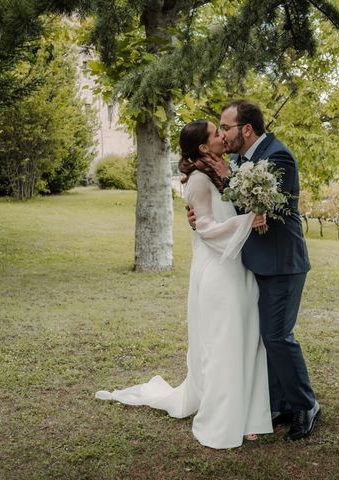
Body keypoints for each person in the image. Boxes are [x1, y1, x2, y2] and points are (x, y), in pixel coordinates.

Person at [95, 120, 272, 449]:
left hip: (237, 267)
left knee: (247, 340)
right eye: (216, 132)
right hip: (219, 273)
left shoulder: (223, 170)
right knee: (224, 345)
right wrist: (246, 220)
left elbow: (221, 212)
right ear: (204, 147)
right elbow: (204, 227)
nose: (223, 135)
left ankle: (249, 415)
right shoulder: (199, 180)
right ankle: (222, 419)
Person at [188, 100, 320, 441]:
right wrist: (200, 216)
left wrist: (228, 182)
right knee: (264, 337)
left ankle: (306, 404)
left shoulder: (278, 157)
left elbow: (266, 208)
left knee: (277, 335)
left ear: (246, 129)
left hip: (281, 262)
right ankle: (281, 404)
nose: (223, 134)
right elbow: (224, 199)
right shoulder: (237, 159)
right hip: (250, 263)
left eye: (226, 128)